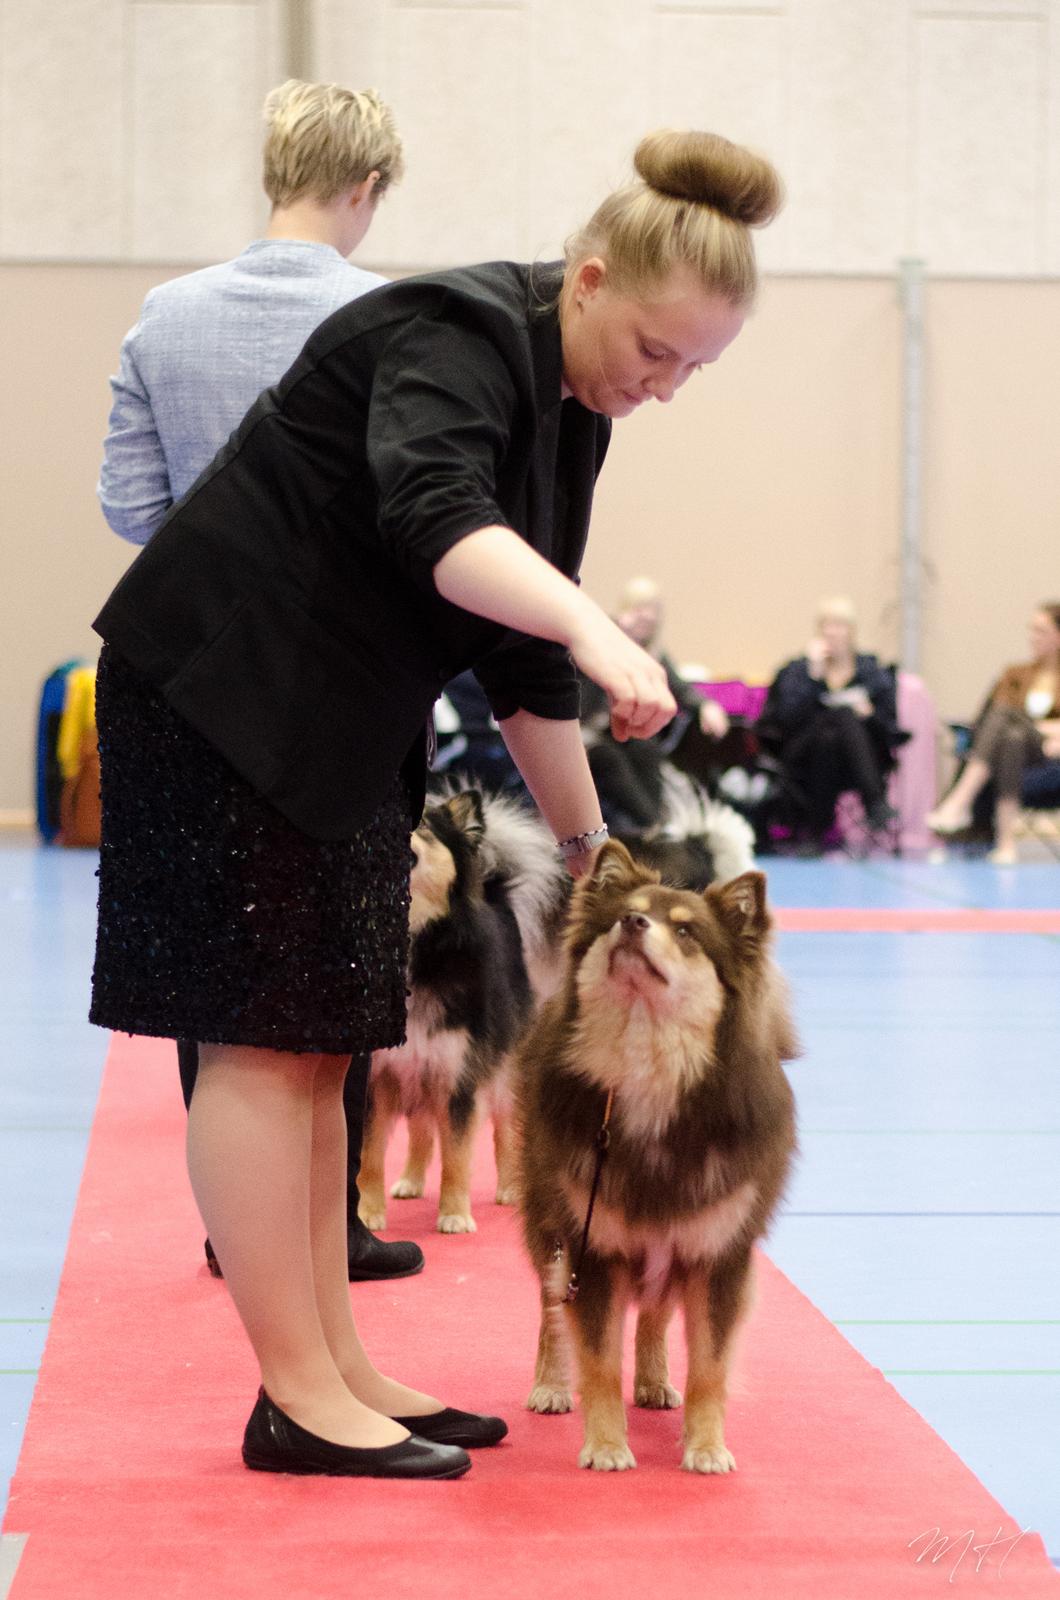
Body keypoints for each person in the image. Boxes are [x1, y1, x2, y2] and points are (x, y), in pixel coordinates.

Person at [88, 127, 782, 1479]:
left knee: (325, 1044)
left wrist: (589, 845)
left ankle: (341, 1368)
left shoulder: (572, 409)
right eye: (655, 350)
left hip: (333, 721)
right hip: (220, 697)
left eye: (693, 369)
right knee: (259, 1039)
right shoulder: (453, 327)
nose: (665, 387)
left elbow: (522, 662)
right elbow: (434, 514)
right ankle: (293, 1395)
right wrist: (598, 625)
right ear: (587, 279)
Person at [97, 78, 418, 1283]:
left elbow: (132, 506)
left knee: (213, 971)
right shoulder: (393, 321)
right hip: (340, 686)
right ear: (367, 187)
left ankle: (242, 1235)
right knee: (332, 974)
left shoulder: (162, 315)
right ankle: (323, 1230)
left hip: (187, 677)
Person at [756, 596, 904, 850]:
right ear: (819, 630)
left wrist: (868, 714)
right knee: (840, 716)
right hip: (801, 757)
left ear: (852, 631)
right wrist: (814, 677)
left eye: (840, 625)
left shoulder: (871, 671)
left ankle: (817, 830)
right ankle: (875, 802)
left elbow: (889, 726)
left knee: (832, 738)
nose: (833, 632)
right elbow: (785, 721)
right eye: (827, 625)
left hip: (856, 761)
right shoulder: (798, 670)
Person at [926, 602, 1060, 864]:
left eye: (1040, 630)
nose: (1032, 636)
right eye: (1031, 630)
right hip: (1014, 757)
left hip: (1050, 763)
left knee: (1007, 717)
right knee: (1012, 736)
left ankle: (959, 801)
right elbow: (987, 720)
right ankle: (1006, 844)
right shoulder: (1015, 674)